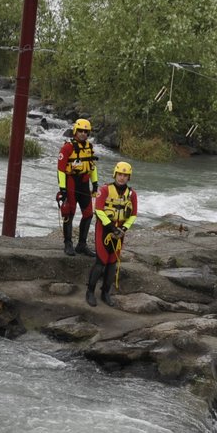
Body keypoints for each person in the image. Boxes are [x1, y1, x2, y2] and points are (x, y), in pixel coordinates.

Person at [86, 161, 137, 306]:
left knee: (112, 263)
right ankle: (90, 292)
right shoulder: (105, 189)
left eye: (125, 175)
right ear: (115, 174)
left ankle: (105, 293)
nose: (122, 178)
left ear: (129, 177)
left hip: (120, 230)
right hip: (104, 229)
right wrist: (111, 227)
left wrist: (124, 229)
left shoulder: (132, 194)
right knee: (101, 262)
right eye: (120, 174)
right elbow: (99, 210)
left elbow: (133, 214)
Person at [56, 118, 99, 256]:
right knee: (69, 213)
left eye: (86, 131)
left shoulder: (89, 147)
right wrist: (63, 189)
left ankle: (82, 244)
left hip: (85, 183)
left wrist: (95, 183)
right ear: (75, 131)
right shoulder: (67, 147)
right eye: (80, 130)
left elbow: (92, 167)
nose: (83, 133)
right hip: (71, 183)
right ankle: (68, 244)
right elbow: (61, 170)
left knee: (88, 214)